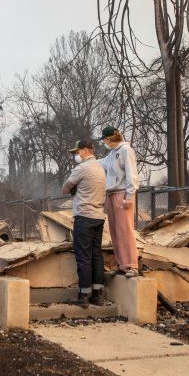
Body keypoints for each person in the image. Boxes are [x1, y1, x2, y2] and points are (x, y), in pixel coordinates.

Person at [61, 139, 107, 308]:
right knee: (96, 254)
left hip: (84, 216)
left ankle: (83, 296)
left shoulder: (82, 168)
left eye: (78, 152)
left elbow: (65, 188)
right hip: (98, 217)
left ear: (86, 150)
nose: (77, 155)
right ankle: (98, 295)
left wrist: (74, 189)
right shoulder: (101, 169)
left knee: (83, 257)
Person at [99, 126, 140, 278]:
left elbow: (132, 174)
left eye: (104, 139)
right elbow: (102, 163)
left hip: (122, 193)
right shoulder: (112, 153)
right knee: (115, 232)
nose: (104, 142)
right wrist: (88, 161)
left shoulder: (125, 150)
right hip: (111, 193)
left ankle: (131, 265)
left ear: (109, 138)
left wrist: (129, 196)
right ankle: (121, 264)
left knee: (125, 230)